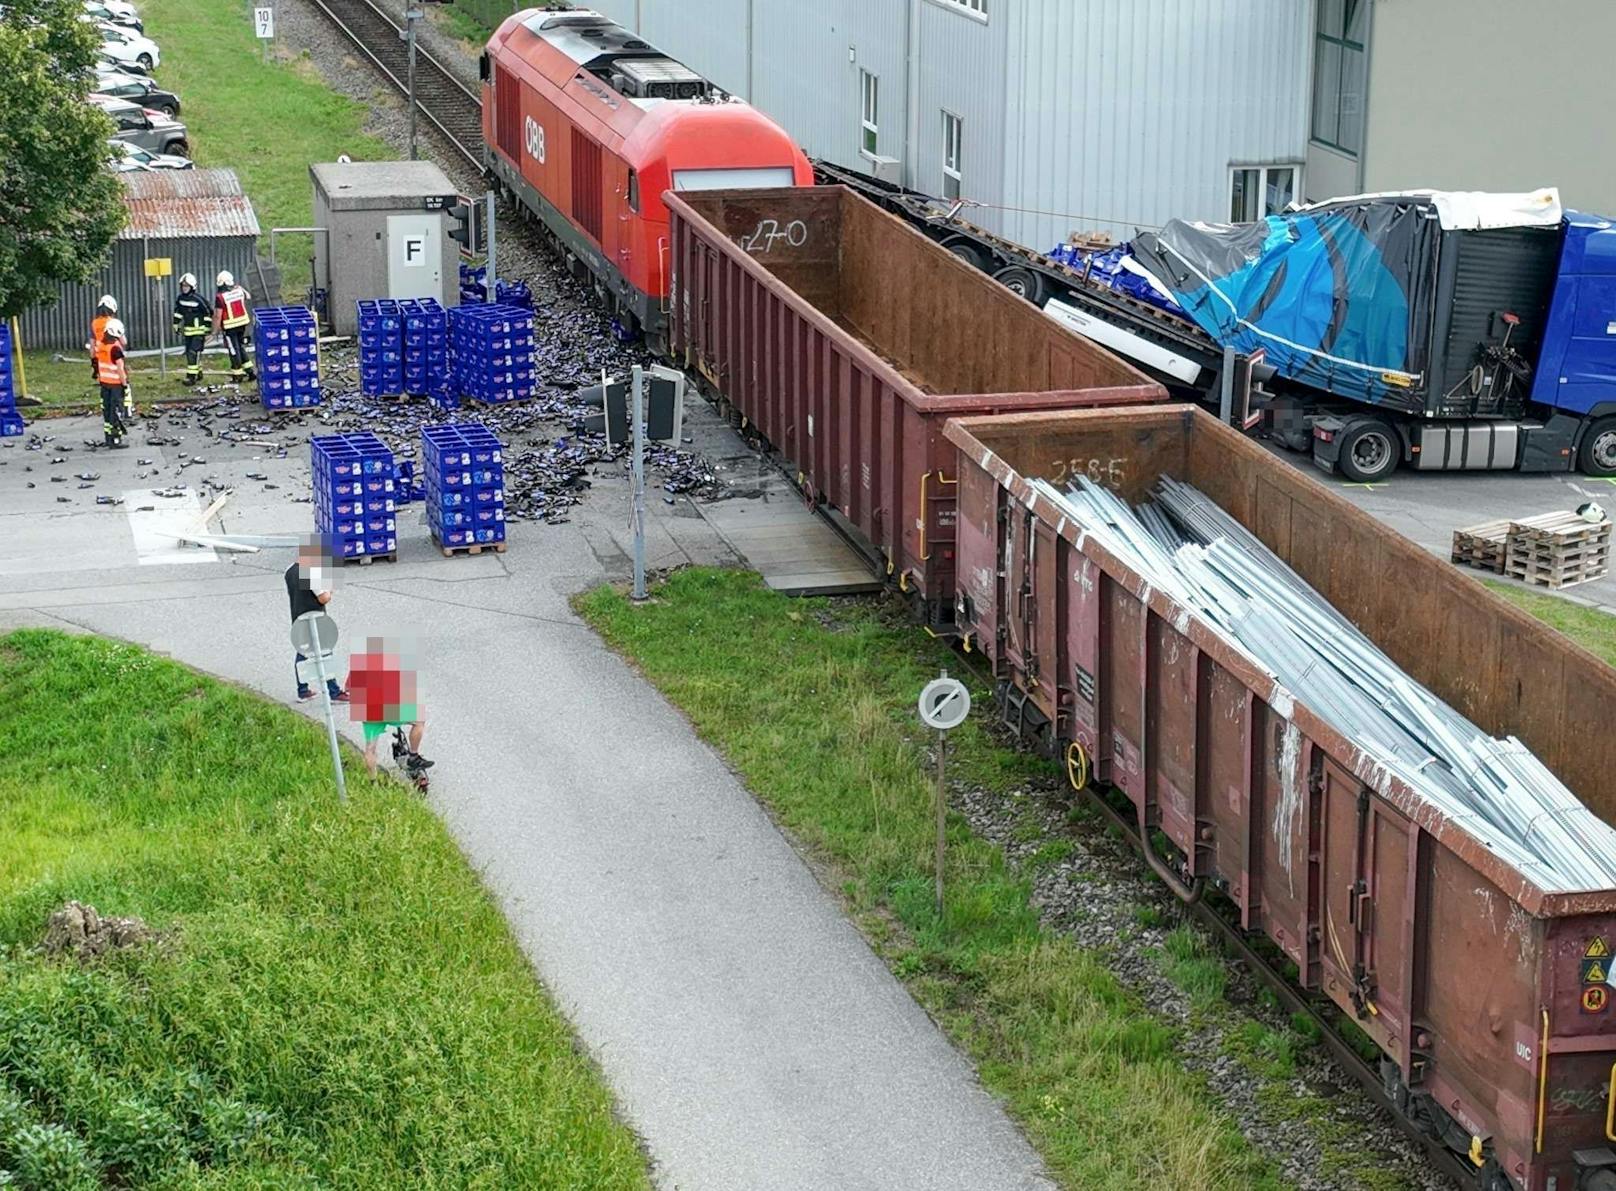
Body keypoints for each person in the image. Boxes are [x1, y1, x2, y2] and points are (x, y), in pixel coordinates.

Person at [347, 637, 433, 779]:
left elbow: (350, 689)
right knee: (419, 720)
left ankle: (373, 783)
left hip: (368, 712)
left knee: (370, 748)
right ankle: (413, 756)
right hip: (388, 709)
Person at [284, 537, 349, 704]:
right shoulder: (312, 573)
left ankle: (303, 690)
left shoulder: (289, 570)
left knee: (303, 652)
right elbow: (323, 598)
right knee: (325, 652)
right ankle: (334, 691)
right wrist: (330, 588)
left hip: (298, 618)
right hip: (315, 619)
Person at [212, 270, 255, 384]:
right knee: (240, 347)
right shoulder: (239, 291)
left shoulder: (220, 297)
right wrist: (240, 288)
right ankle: (250, 372)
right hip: (242, 325)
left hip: (230, 328)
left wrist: (214, 331)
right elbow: (248, 296)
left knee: (233, 350)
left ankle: (237, 376)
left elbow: (217, 316)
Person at [93, 317, 131, 449]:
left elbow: (99, 363)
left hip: (104, 384)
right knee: (116, 412)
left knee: (107, 411)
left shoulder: (101, 345)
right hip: (116, 384)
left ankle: (108, 438)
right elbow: (120, 368)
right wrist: (125, 384)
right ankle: (116, 439)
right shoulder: (115, 349)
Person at [171, 273, 211, 385]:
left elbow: (208, 312)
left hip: (199, 331)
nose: (184, 288)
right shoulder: (180, 299)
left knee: (193, 353)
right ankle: (198, 372)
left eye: (187, 286)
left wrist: (207, 329)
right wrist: (176, 324)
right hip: (188, 331)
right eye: (183, 286)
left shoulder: (198, 299)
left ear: (192, 287)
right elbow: (178, 312)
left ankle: (191, 377)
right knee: (189, 352)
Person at [86, 294, 118, 382]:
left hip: (100, 355)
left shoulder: (94, 323)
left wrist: (93, 362)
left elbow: (92, 346)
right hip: (113, 354)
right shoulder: (113, 322)